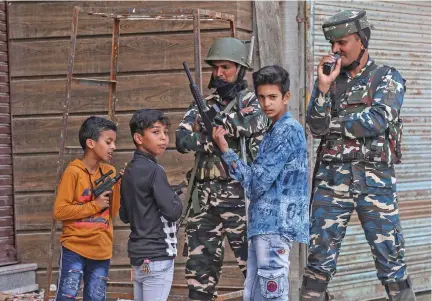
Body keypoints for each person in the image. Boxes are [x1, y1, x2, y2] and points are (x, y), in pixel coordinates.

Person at [299, 9, 416, 301]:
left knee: (391, 262)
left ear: (362, 40)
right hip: (331, 181)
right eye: (333, 44)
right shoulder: (329, 79)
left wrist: (334, 125)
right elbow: (315, 125)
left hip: (375, 182)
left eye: (343, 42)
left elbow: (377, 120)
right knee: (317, 263)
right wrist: (324, 88)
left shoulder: (387, 77)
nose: (336, 50)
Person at [176, 37, 268, 300]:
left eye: (225, 67)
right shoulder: (201, 104)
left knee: (253, 267)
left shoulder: (253, 103)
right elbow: (182, 140)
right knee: (199, 272)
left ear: (240, 68)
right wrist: (214, 139)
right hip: (202, 198)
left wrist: (212, 129)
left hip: (240, 196)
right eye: (215, 67)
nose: (219, 73)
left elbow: (249, 124)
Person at [213, 65, 309, 301]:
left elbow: (256, 183)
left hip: (273, 227)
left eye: (273, 97)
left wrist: (226, 151)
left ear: (286, 97)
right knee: (255, 294)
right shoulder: (273, 129)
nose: (267, 103)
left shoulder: (285, 131)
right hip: (265, 226)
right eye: (262, 97)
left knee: (271, 296)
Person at [53, 116, 121, 301]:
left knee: (96, 298)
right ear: (90, 143)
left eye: (114, 142)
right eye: (108, 142)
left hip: (101, 248)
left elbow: (112, 212)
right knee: (67, 296)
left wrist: (116, 187)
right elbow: (59, 211)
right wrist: (94, 205)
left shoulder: (110, 172)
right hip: (74, 247)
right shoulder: (73, 171)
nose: (113, 147)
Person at [119, 109, 183, 301]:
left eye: (165, 132)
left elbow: (125, 215)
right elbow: (172, 212)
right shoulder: (155, 171)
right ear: (138, 138)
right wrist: (175, 196)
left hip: (138, 259)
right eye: (156, 132)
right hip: (157, 255)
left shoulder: (128, 171)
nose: (163, 138)